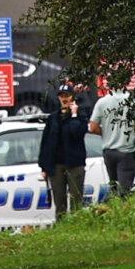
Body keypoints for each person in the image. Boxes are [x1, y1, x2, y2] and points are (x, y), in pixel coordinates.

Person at [38, 84, 87, 218]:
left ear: (72, 97)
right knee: (59, 201)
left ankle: (77, 228)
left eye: (67, 95)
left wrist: (74, 114)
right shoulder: (53, 117)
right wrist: (44, 166)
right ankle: (61, 227)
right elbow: (46, 142)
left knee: (76, 199)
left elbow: (77, 133)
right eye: (61, 96)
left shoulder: (80, 115)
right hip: (56, 165)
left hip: (74, 164)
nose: (64, 98)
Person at [90, 84, 135, 195]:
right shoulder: (134, 101)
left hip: (109, 152)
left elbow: (92, 127)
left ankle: (115, 208)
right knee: (124, 192)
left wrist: (106, 133)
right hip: (127, 152)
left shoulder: (101, 102)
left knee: (114, 188)